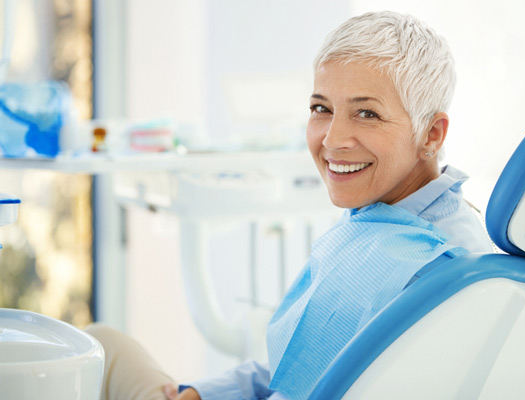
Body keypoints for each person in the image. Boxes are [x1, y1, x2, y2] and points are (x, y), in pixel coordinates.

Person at [87, 11, 493, 400]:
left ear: (431, 134)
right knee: (101, 344)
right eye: (322, 109)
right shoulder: (386, 220)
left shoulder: (436, 266)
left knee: (93, 356)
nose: (333, 140)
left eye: (366, 113)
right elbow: (302, 364)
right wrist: (200, 394)